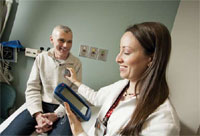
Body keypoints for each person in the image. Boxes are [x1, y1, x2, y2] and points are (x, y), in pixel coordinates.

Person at [64, 22, 180, 136]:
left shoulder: (163, 121)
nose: (118, 59)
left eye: (126, 52)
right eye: (120, 51)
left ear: (151, 59)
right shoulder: (122, 86)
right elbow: (96, 97)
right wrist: (75, 81)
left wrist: (79, 133)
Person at [1, 25, 82, 135]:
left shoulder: (76, 63)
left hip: (63, 107)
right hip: (41, 104)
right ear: (52, 40)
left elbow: (74, 94)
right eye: (61, 40)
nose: (65, 45)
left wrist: (56, 115)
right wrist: (38, 115)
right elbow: (32, 88)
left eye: (69, 42)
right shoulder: (42, 58)